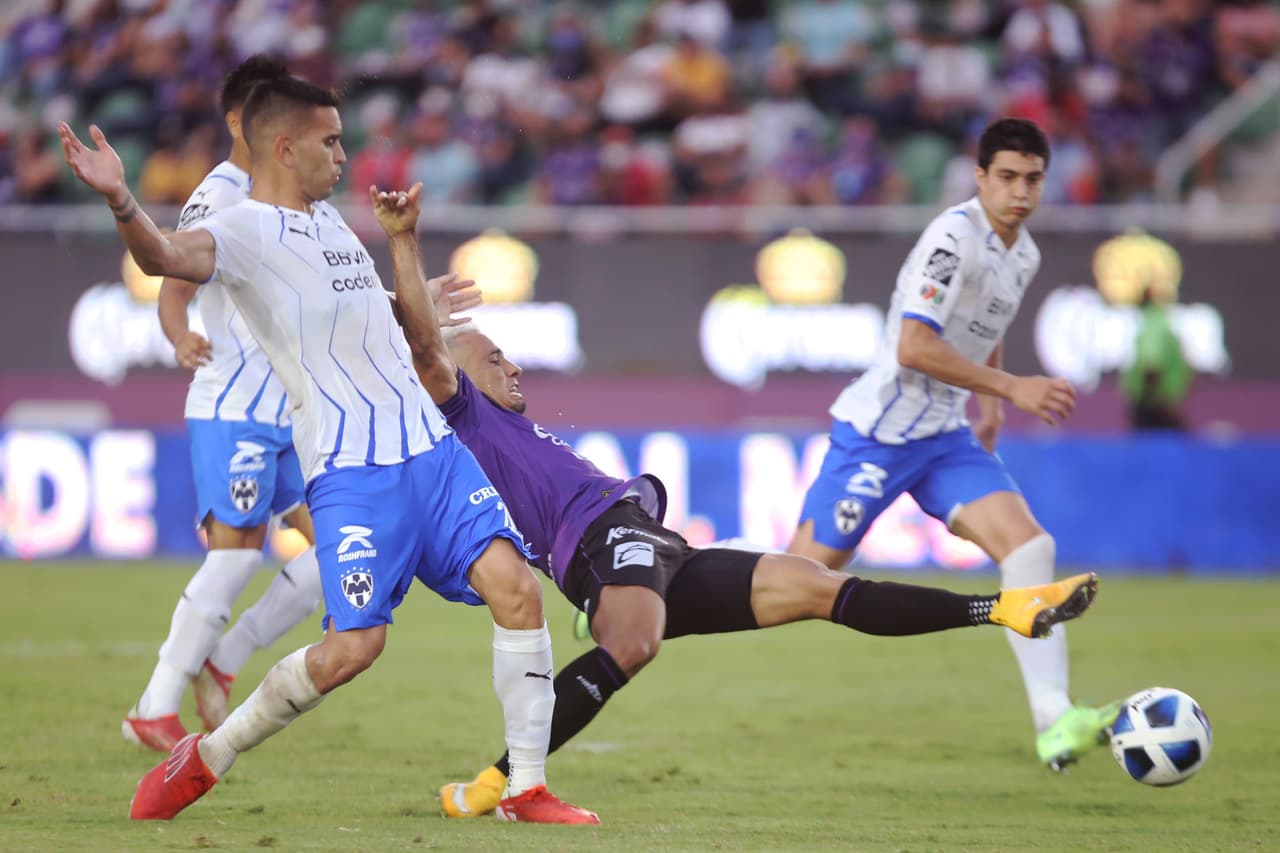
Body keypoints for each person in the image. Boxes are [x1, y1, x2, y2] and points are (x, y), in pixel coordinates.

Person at [60, 74, 597, 825]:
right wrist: (121, 199)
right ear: (286, 146)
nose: (344, 154)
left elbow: (401, 326)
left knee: (517, 590)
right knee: (354, 648)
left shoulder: (335, 226)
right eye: (331, 140)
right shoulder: (243, 229)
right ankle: (209, 754)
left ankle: (526, 788)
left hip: (430, 453)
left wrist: (405, 246)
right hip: (353, 473)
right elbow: (162, 257)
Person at [386, 263, 1100, 818]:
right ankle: (498, 782)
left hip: (656, 545)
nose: (513, 367)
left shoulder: (509, 423)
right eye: (496, 359)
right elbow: (422, 347)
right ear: (454, 381)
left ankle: (1004, 609)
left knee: (818, 588)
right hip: (602, 542)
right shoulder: (465, 416)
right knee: (633, 644)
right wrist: (406, 243)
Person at [786, 117, 1119, 772]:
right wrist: (1012, 385)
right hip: (879, 432)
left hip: (944, 436)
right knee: (794, 577)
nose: (1019, 192)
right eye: (1007, 177)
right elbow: (916, 344)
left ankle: (1055, 720)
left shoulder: (1023, 253)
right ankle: (656, 576)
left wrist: (990, 405)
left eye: (1032, 179)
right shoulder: (951, 237)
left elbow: (985, 325)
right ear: (980, 177)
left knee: (1030, 547)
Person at [126, 55, 326, 754]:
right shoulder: (220, 197)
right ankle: (153, 705)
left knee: (342, 550)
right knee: (236, 555)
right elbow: (174, 283)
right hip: (235, 402)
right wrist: (182, 338)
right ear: (243, 120)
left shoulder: (297, 192)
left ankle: (226, 654)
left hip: (291, 413)